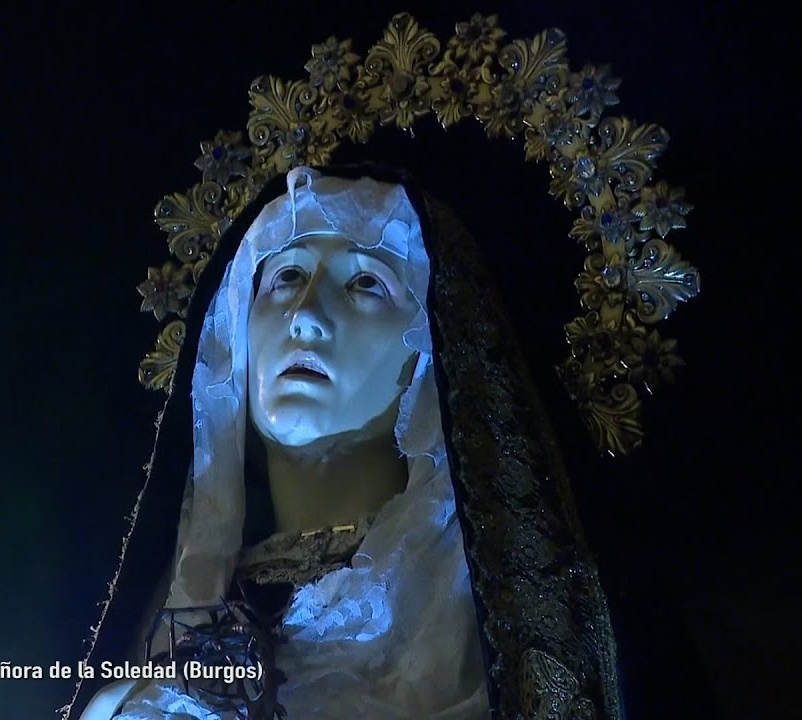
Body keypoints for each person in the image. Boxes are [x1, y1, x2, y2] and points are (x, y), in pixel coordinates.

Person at [68, 164, 623, 720]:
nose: (306, 315)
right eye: (285, 276)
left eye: (365, 284)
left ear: (436, 351)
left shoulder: (482, 633)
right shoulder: (158, 647)